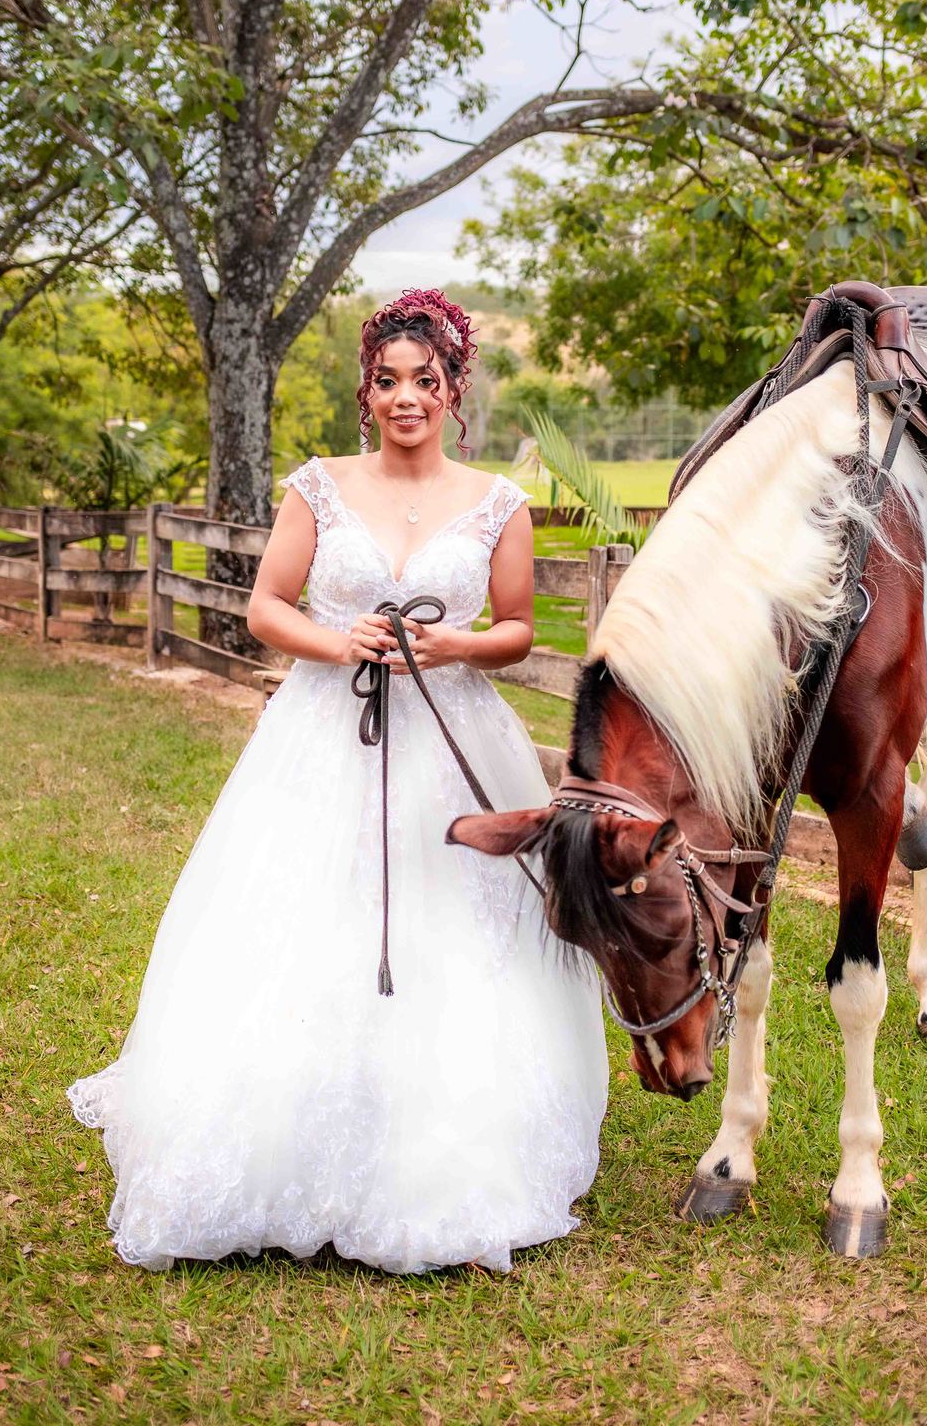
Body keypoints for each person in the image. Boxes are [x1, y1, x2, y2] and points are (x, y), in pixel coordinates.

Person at [67, 289, 608, 1274]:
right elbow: (267, 607)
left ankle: (447, 1134)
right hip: (325, 732)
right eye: (388, 381)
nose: (407, 397)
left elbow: (519, 630)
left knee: (454, 923)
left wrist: (454, 645)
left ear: (453, 390)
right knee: (310, 914)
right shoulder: (318, 487)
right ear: (367, 393)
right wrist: (337, 638)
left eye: (426, 381)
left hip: (454, 738)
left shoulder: (498, 503)